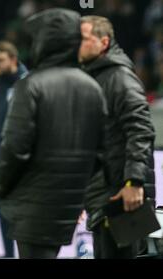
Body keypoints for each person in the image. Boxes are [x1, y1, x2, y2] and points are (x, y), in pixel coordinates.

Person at [0, 8, 106, 259]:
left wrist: (2, 186)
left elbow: (14, 148)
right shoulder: (92, 87)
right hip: (69, 204)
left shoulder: (31, 85)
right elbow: (101, 151)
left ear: (45, 42)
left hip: (32, 203)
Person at [79, 15, 156, 259]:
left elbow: (141, 129)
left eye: (83, 38)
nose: (75, 44)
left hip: (122, 195)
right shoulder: (96, 76)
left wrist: (134, 182)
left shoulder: (119, 77)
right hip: (104, 193)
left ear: (103, 42)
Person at [0, 40, 28, 258]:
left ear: (13, 60)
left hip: (15, 167)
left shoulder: (27, 85)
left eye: (1, 60)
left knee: (13, 221)